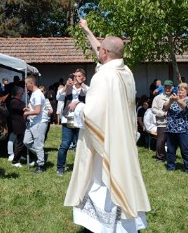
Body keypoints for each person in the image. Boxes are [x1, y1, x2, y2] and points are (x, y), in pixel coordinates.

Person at [64, 18, 150, 232]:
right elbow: (102, 50)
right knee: (122, 179)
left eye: (101, 49)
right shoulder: (126, 72)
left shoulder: (103, 77)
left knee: (101, 183)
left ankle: (102, 225)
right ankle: (126, 224)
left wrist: (77, 106)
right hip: (123, 139)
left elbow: (93, 115)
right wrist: (86, 30)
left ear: (105, 53)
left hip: (104, 142)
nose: (98, 51)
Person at [56, 69, 88, 176]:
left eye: (79, 76)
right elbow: (58, 97)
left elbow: (93, 97)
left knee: (81, 145)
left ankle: (81, 168)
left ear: (83, 78)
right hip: (68, 118)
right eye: (75, 76)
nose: (76, 78)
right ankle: (60, 168)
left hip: (81, 120)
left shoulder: (86, 89)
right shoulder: (68, 88)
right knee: (65, 144)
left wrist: (77, 101)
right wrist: (65, 86)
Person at [163, 82, 188, 173]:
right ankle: (170, 167)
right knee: (170, 150)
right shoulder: (172, 99)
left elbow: (187, 108)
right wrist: (170, 100)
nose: (180, 92)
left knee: (185, 150)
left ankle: (187, 169)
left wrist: (177, 100)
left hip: (184, 129)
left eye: (182, 90)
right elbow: (165, 108)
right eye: (179, 90)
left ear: (187, 91)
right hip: (171, 129)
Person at [23, 75, 48, 173]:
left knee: (38, 144)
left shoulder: (37, 94)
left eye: (26, 84)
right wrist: (29, 109)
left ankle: (41, 165)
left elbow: (37, 111)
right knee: (26, 141)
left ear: (31, 83)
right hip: (33, 121)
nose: (25, 86)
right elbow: (35, 109)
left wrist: (27, 113)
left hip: (39, 121)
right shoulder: (33, 94)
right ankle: (41, 155)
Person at [151, 80, 173, 162]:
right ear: (163, 88)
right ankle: (160, 157)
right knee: (161, 141)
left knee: (172, 141)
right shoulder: (158, 98)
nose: (168, 89)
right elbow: (153, 110)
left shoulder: (175, 97)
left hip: (173, 123)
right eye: (166, 87)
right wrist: (163, 114)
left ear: (172, 88)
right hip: (162, 122)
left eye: (169, 87)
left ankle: (171, 156)